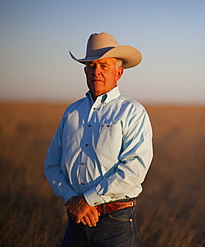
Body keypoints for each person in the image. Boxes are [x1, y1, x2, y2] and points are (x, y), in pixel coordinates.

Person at [44, 32, 153, 247]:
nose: (97, 72)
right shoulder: (72, 112)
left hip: (115, 223)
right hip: (76, 218)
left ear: (119, 73)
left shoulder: (132, 112)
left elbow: (135, 169)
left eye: (104, 66)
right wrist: (71, 199)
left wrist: (87, 200)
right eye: (91, 66)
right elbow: (52, 164)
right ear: (85, 71)